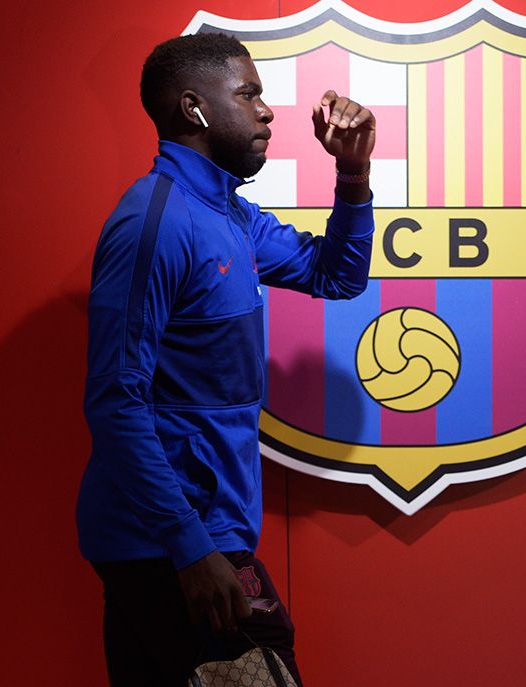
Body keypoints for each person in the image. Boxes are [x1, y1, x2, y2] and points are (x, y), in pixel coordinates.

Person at [76, 32, 376, 686]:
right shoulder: (154, 223)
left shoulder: (231, 216)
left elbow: (337, 275)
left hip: (196, 534)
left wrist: (353, 174)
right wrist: (189, 546)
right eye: (249, 94)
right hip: (169, 539)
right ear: (194, 108)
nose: (266, 111)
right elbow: (114, 400)